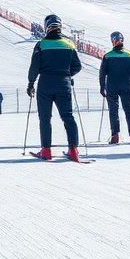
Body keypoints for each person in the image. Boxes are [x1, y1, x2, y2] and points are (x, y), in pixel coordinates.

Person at [26, 14, 82, 161]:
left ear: (46, 27)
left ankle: (46, 151)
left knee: (45, 118)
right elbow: (77, 66)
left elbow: (34, 67)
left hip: (45, 84)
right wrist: (67, 74)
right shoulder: (69, 44)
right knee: (68, 116)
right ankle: (73, 150)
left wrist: (31, 83)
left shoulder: (41, 44)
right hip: (64, 83)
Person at [98, 31, 130, 145]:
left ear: (112, 41)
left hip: (111, 86)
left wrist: (102, 87)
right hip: (126, 86)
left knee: (113, 111)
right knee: (129, 110)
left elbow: (102, 74)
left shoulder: (107, 56)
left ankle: (115, 135)